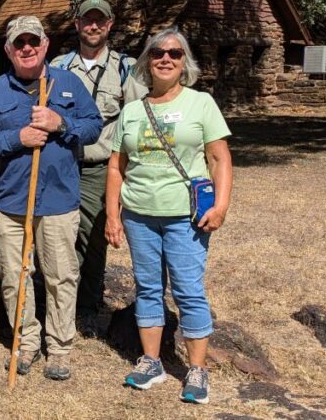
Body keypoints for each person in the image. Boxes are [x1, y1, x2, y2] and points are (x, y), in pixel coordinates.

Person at [105, 27, 233, 405]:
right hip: (139, 215)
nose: (166, 58)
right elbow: (117, 166)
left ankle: (197, 369)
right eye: (158, 52)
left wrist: (220, 206)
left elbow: (219, 158)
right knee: (146, 288)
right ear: (147, 61)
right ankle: (151, 362)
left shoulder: (201, 104)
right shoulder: (130, 110)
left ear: (184, 62)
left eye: (174, 54)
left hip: (185, 217)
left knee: (188, 291)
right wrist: (113, 214)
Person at [0, 15, 102, 381]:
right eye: (19, 43)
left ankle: (59, 347)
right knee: (15, 277)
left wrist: (60, 123)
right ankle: (25, 342)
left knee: (61, 275)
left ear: (45, 46)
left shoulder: (68, 84)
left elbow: (93, 127)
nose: (27, 48)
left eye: (33, 42)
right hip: (11, 202)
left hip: (58, 199)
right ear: (9, 50)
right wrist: (19, 138)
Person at [52, 0, 147, 334]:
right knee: (56, 235)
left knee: (93, 238)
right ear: (77, 25)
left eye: (99, 21)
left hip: (99, 166)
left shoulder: (126, 69)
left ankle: (87, 306)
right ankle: (56, 303)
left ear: (109, 25)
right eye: (86, 21)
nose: (92, 27)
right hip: (62, 162)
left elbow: (137, 120)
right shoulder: (60, 67)